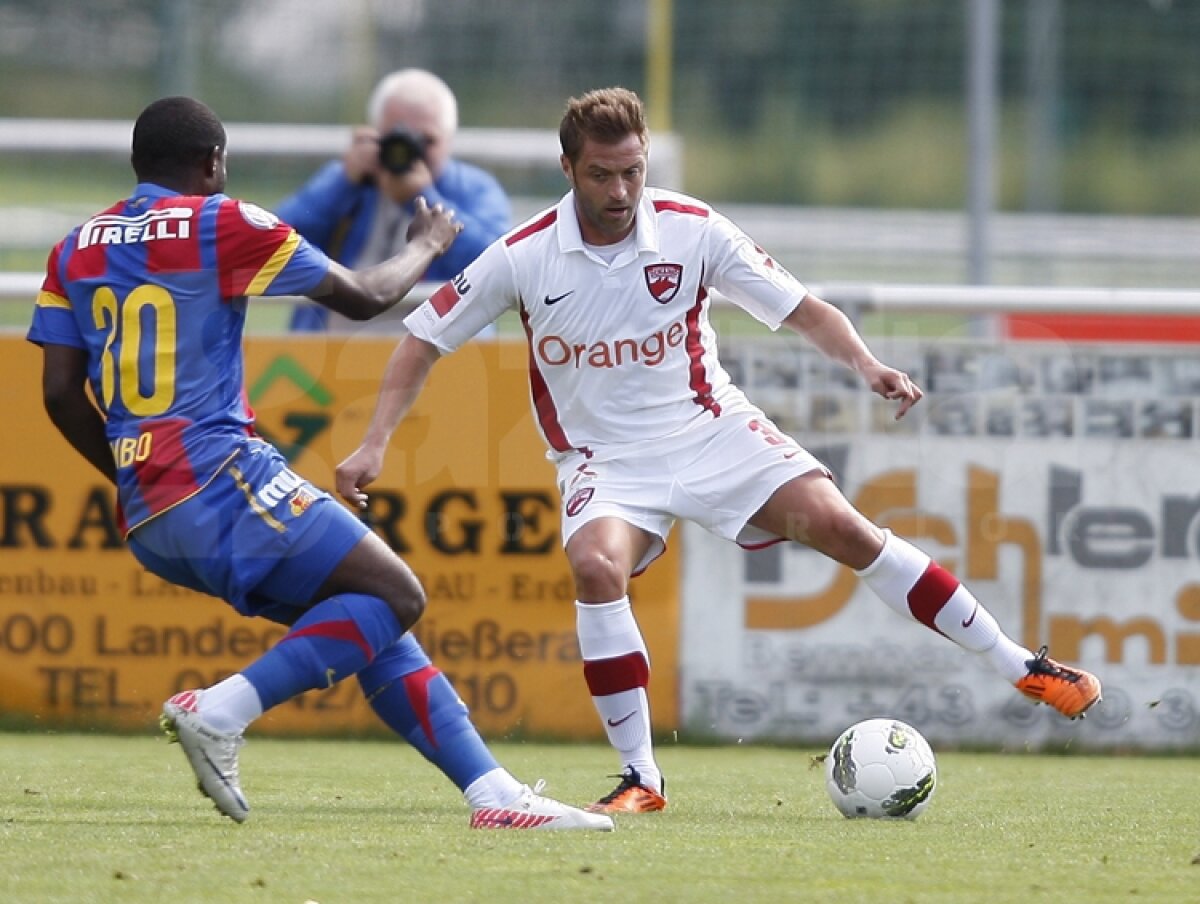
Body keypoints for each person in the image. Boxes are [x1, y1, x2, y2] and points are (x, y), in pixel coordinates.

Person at [333, 86, 1103, 816]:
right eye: (601, 174)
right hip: (603, 461)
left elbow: (803, 309)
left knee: (847, 529)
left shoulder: (694, 227)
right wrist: (374, 445)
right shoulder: (522, 255)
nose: (620, 190)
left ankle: (1023, 668)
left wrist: (867, 364)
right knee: (597, 566)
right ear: (568, 169)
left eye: (632, 171)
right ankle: (641, 776)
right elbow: (421, 340)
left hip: (711, 430)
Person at [27, 96, 612, 832]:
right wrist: (428, 241)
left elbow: (57, 393)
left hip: (150, 517)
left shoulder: (75, 247)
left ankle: (491, 794)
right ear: (214, 163)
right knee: (397, 593)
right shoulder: (225, 220)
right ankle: (222, 709)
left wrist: (130, 472)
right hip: (217, 473)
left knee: (368, 620)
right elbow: (368, 296)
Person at [278, 68, 511, 332]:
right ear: (374, 133)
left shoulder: (474, 189)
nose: (409, 150)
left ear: (449, 140)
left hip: (440, 357)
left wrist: (424, 197)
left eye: (425, 140)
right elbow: (276, 240)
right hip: (330, 352)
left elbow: (499, 269)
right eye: (395, 137)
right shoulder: (347, 181)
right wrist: (343, 182)